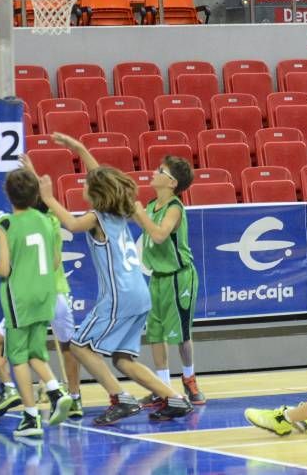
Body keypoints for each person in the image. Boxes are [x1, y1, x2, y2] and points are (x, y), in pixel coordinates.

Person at [38, 132, 193, 425]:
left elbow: (70, 222)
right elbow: (103, 178)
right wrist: (81, 148)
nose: (83, 185)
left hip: (120, 295)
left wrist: (48, 198)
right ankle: (175, 398)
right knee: (123, 359)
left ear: (96, 194)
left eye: (85, 184)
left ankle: (120, 398)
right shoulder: (120, 212)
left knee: (80, 346)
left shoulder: (97, 217)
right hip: (139, 293)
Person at [0, 155, 83, 420]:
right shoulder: (48, 221)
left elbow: (4, 269)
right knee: (37, 352)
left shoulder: (6, 222)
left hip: (20, 298)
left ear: (7, 195)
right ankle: (59, 392)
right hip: (47, 295)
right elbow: (57, 259)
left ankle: (31, 414)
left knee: (18, 357)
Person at [132, 155, 206, 407]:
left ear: (172, 182)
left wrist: (139, 214)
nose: (154, 172)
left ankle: (189, 378)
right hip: (157, 278)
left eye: (160, 170)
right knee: (155, 333)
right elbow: (138, 217)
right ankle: (163, 388)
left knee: (182, 335)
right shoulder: (151, 204)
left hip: (179, 278)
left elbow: (161, 234)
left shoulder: (174, 207)